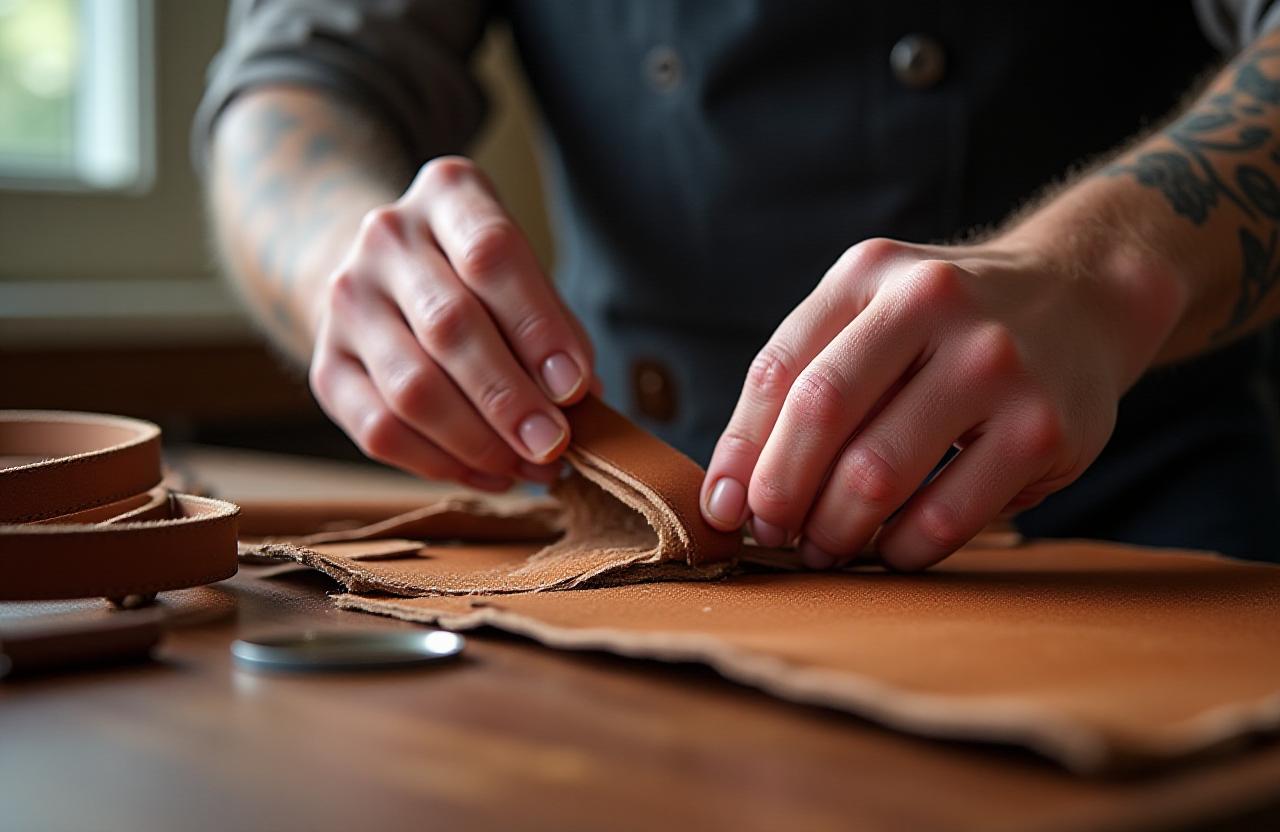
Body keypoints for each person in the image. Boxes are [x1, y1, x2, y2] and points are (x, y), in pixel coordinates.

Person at [197, 1, 1280, 569]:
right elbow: (296, 84)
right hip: (626, 545)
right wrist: (337, 255)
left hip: (1139, 529)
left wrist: (1100, 275)